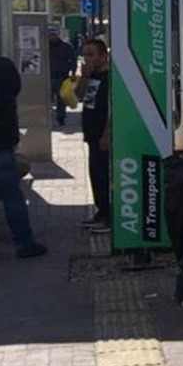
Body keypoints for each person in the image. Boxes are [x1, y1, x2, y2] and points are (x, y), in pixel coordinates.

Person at [0, 26, 49, 263]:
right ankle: (24, 244)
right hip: (1, 145)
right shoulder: (4, 67)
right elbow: (15, 90)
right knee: (12, 197)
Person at [75, 39, 111, 233]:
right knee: (95, 175)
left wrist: (107, 133)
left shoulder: (109, 78)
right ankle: (101, 211)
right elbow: (79, 96)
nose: (87, 58)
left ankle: (108, 215)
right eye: (85, 54)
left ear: (103, 56)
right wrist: (84, 76)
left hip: (101, 133)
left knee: (103, 175)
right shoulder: (91, 75)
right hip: (91, 132)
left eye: (91, 54)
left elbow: (113, 109)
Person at [47, 25, 76, 127]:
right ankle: (48, 118)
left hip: (62, 77)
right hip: (48, 77)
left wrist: (73, 73)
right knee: (47, 99)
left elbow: (73, 60)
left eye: (53, 35)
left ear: (57, 35)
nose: (51, 37)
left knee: (62, 99)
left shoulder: (66, 47)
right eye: (49, 35)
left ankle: (61, 117)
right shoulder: (45, 47)